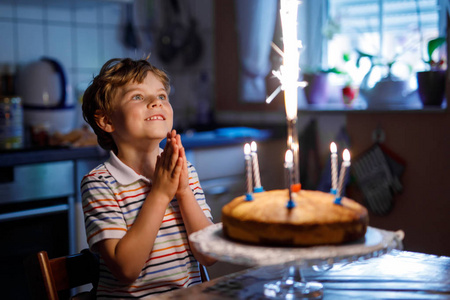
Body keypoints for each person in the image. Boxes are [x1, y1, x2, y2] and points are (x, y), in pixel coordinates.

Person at [80, 57, 216, 299]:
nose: (156, 102)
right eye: (138, 97)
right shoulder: (100, 183)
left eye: (162, 96)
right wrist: (162, 194)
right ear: (107, 120)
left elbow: (209, 255)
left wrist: (183, 192)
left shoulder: (184, 171)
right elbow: (126, 269)